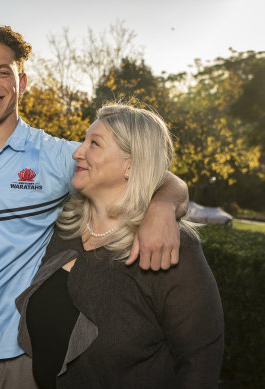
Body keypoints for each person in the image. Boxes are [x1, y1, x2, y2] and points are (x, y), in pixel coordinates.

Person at [0, 25, 189, 388]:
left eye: (3, 73)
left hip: (25, 359)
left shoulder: (59, 157)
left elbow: (154, 173)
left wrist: (163, 208)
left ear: (22, 82)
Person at [16, 103, 224, 388]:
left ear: (130, 165)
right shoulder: (63, 230)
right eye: (84, 140)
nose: (78, 151)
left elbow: (200, 366)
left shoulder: (169, 247)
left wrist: (164, 202)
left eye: (95, 144)